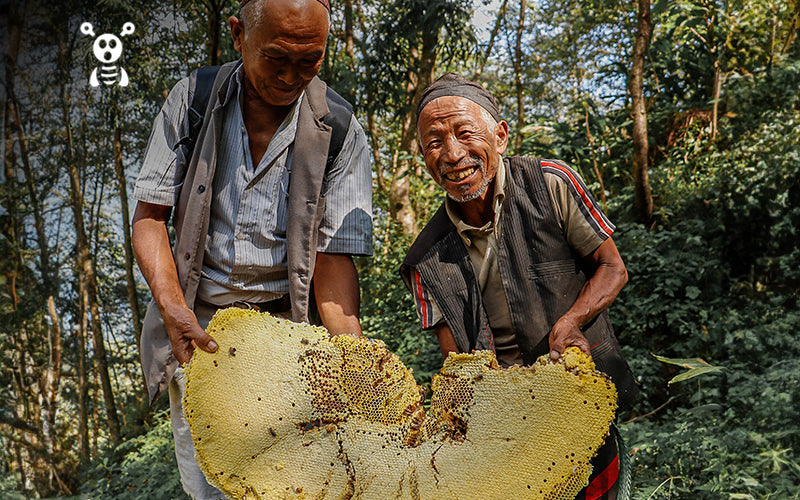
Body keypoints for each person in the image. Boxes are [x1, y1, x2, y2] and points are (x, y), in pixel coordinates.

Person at [131, 0, 372, 497]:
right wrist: (174, 312)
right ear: (239, 35)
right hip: (200, 333)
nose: (291, 77)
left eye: (310, 61)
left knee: (293, 486)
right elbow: (150, 219)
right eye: (277, 59)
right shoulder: (191, 101)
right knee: (213, 486)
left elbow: (332, 258)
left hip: (289, 338)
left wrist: (353, 354)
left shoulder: (341, 129)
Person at [401, 73, 638, 500]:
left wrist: (572, 322)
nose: (453, 154)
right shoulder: (424, 258)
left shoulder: (550, 184)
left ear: (501, 136)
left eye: (464, 133)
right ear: (424, 157)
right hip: (504, 429)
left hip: (579, 399)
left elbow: (612, 268)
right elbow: (455, 357)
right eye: (434, 143)